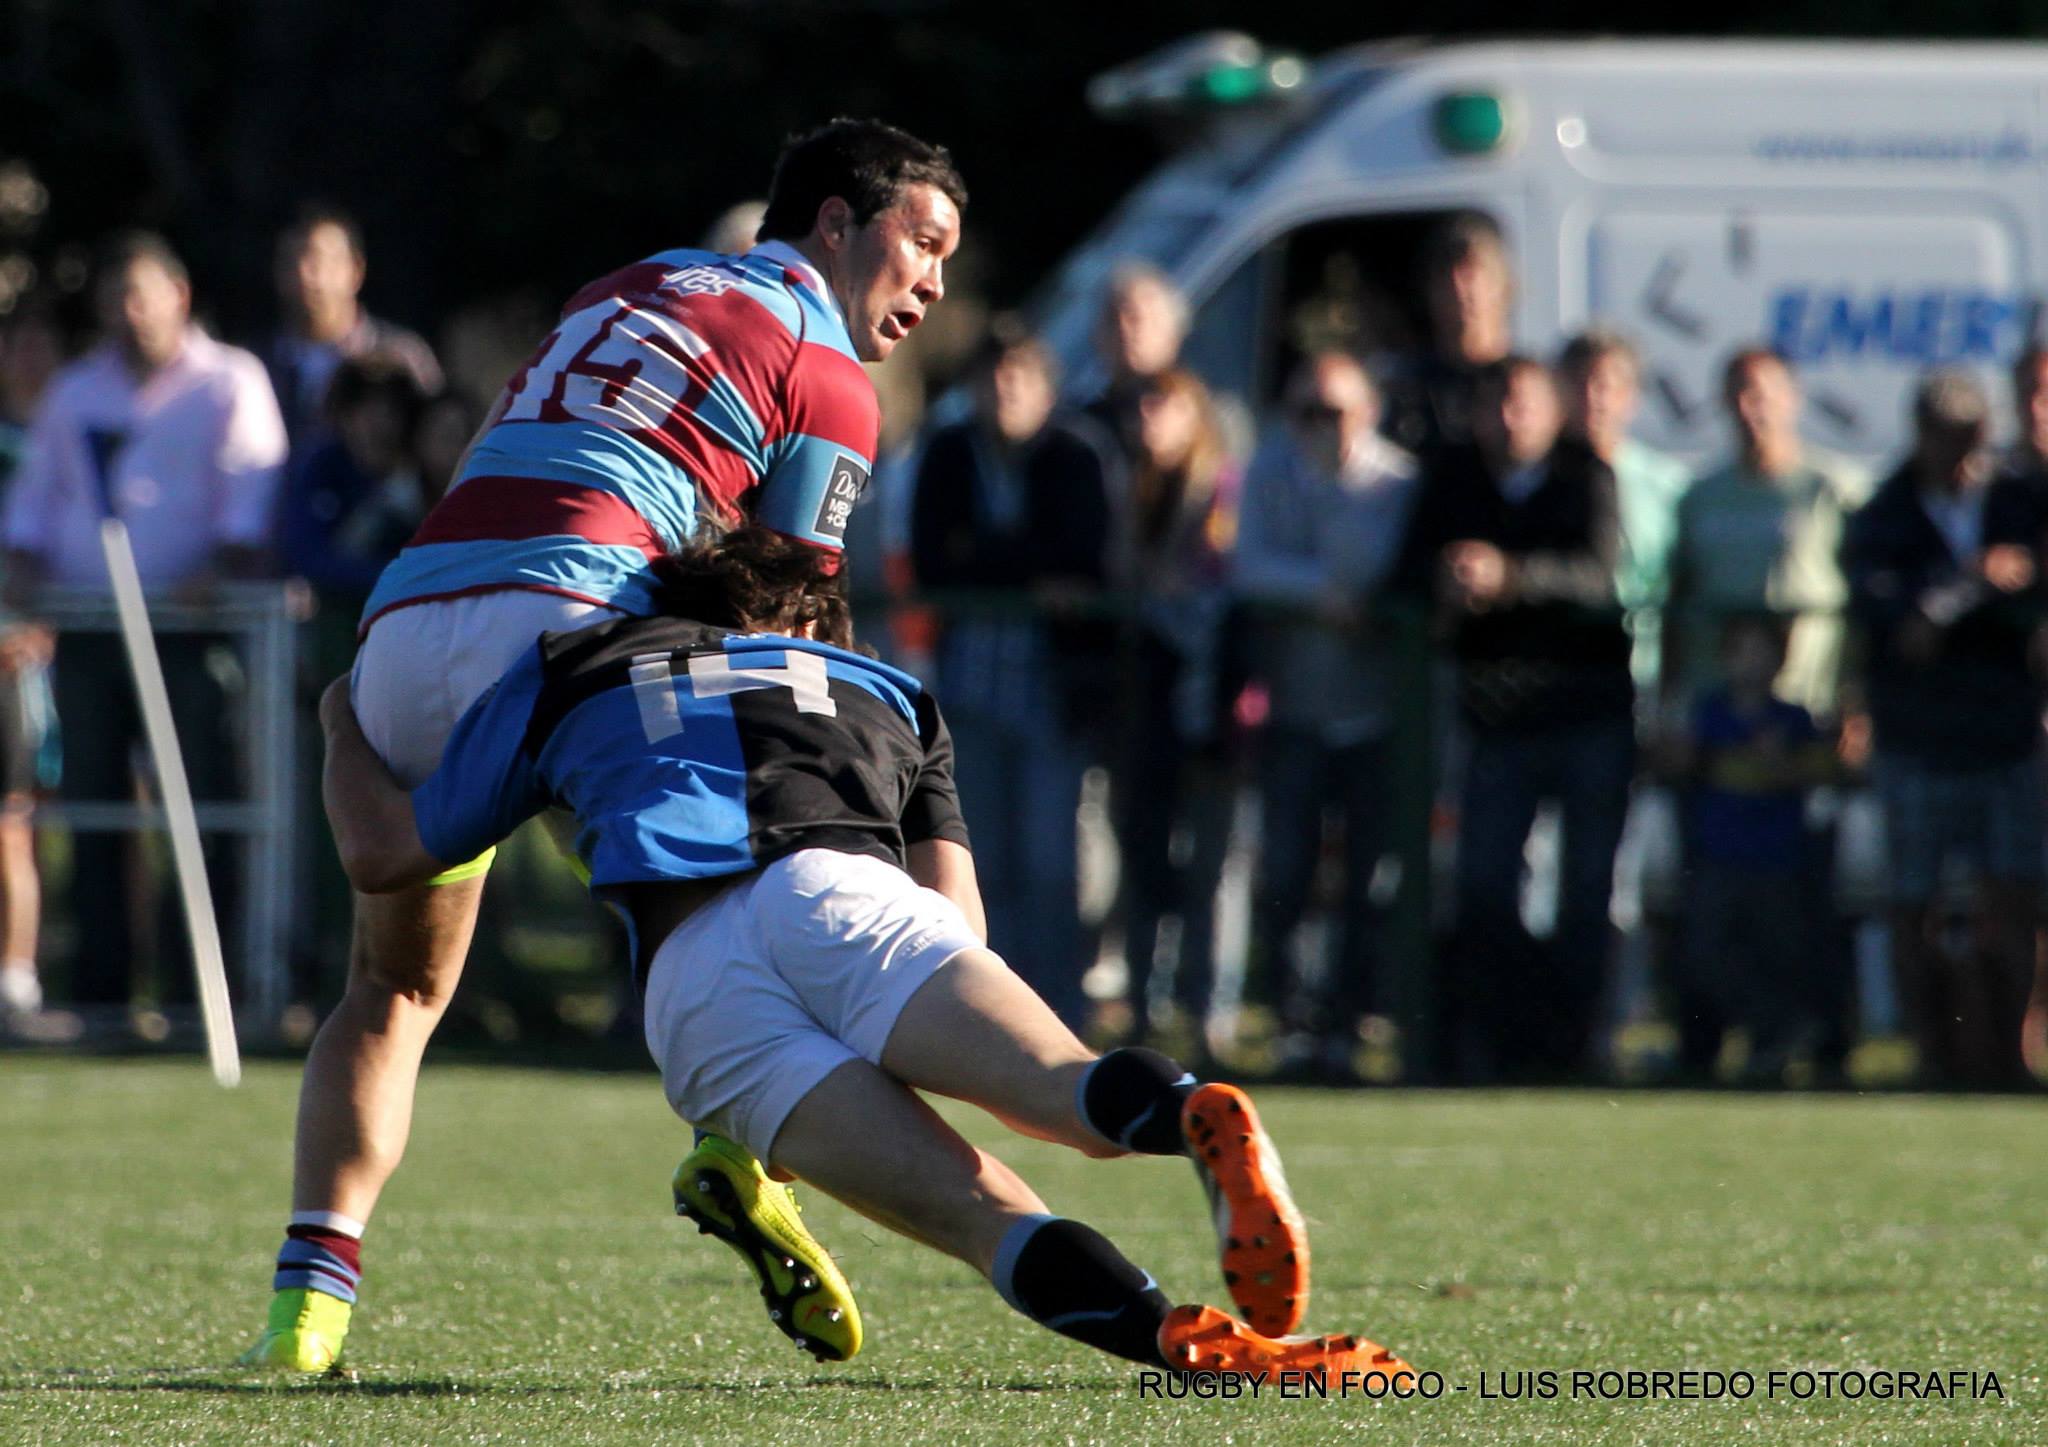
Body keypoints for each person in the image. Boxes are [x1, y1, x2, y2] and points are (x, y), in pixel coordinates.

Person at [314, 524, 1408, 1383]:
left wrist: (337, 722)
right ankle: (1183, 1114)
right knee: (1061, 1092)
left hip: (693, 979)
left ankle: (1183, 1341)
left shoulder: (576, 667)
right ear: (823, 625)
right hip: (841, 892)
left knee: (988, 1220)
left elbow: (383, 854)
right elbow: (957, 917)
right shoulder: (885, 689)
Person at [245, 118, 966, 1373]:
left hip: (416, 616)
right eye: (923, 242)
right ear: (835, 227)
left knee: (397, 989)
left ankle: (304, 1315)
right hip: (579, 624)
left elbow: (506, 449)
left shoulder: (626, 283)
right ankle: (742, 1157)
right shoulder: (829, 371)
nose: (935, 283)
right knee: (777, 931)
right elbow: (783, 608)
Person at [2, 232, 287, 1019]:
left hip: (194, 631)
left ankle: (205, 992)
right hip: (91, 631)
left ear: (179, 296)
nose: (128, 315)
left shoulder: (229, 381)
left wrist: (223, 562)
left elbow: (251, 489)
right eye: (113, 300)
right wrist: (23, 560)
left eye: (141, 295)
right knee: (93, 806)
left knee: (204, 808)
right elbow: (35, 501)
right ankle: (101, 993)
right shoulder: (77, 391)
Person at [1392, 356, 1632, 1080]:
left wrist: (1510, 576)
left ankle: (1580, 1047)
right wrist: (1447, 579)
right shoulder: (1453, 476)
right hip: (1496, 719)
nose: (1509, 417)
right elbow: (1404, 572)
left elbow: (1597, 573)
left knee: (1588, 891)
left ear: (1554, 410)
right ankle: (1505, 1041)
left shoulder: (1585, 473)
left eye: (1524, 403)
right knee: (1486, 887)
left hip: (1587, 712)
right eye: (1495, 402)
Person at [908, 322, 1113, 1028]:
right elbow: (936, 560)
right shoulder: (946, 452)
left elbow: (1083, 554)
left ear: (1047, 386)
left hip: (1053, 688)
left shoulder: (1076, 454)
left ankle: (1062, 1009)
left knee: (1052, 860)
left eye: (1021, 373)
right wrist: (1031, 566)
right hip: (969, 685)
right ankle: (987, 1014)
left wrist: (989, 555)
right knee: (978, 857)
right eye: (993, 373)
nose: (1005, 387)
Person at [1843, 370, 2044, 1090]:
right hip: (1919, 736)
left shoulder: (2019, 499)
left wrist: (1965, 605)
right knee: (1914, 902)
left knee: (2017, 897)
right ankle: (1934, 1053)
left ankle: (2011, 1056)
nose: (1963, 458)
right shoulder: (1885, 513)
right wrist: (1978, 585)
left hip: (2006, 734)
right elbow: (1896, 624)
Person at [1233, 352, 1418, 1081]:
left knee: (1371, 878)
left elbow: (1386, 571)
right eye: (1305, 410)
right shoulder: (1269, 474)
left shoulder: (1397, 483)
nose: (1318, 427)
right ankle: (1292, 1024)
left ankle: (1350, 1023)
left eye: (1334, 411)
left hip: (1376, 714)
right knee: (1287, 871)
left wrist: (1342, 590)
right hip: (1296, 709)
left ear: (1368, 411)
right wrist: (1322, 593)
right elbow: (1249, 564)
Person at [1112, 367, 1240, 1056]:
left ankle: (1210, 1015)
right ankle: (1143, 1006)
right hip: (1147, 704)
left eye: (1162, 406)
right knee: (1143, 852)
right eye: (1142, 407)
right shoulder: (1132, 490)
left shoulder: (1220, 489)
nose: (1147, 421)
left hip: (1214, 704)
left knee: (1212, 864)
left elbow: (1222, 586)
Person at [1663, 615, 1834, 1081]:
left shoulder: (1794, 719)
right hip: (1719, 858)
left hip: (1778, 861)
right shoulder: (1708, 712)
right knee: (1708, 956)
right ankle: (1775, 1025)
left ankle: (1771, 1049)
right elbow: (1677, 760)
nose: (1753, 664)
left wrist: (1777, 765)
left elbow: (1825, 771)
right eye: (1742, 651)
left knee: (1777, 955)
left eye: (1763, 652)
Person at [1665, 348, 1866, 721]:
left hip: (1808, 703)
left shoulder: (1834, 489)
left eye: (1759, 394)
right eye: (1736, 394)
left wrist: (1855, 703)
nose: (1747, 408)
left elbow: (1864, 596)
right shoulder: (1700, 497)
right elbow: (1679, 600)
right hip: (1718, 711)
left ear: (1791, 399)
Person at [0, 302, 65, 1027]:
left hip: (60, 648)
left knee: (39, 814)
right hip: (8, 645)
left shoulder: (75, 434)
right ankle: (17, 969)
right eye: (18, 343)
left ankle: (31, 969)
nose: (31, 358)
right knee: (11, 817)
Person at [263, 205, 441, 448]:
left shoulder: (402, 357)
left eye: (319, 260)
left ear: (356, 269)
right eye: (292, 260)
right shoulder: (256, 367)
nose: (306, 275)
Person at [1378, 212, 1515, 463]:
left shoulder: (1524, 389)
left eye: (1473, 273)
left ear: (1503, 285)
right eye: (1446, 276)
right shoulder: (1404, 392)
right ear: (1429, 293)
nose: (1460, 288)